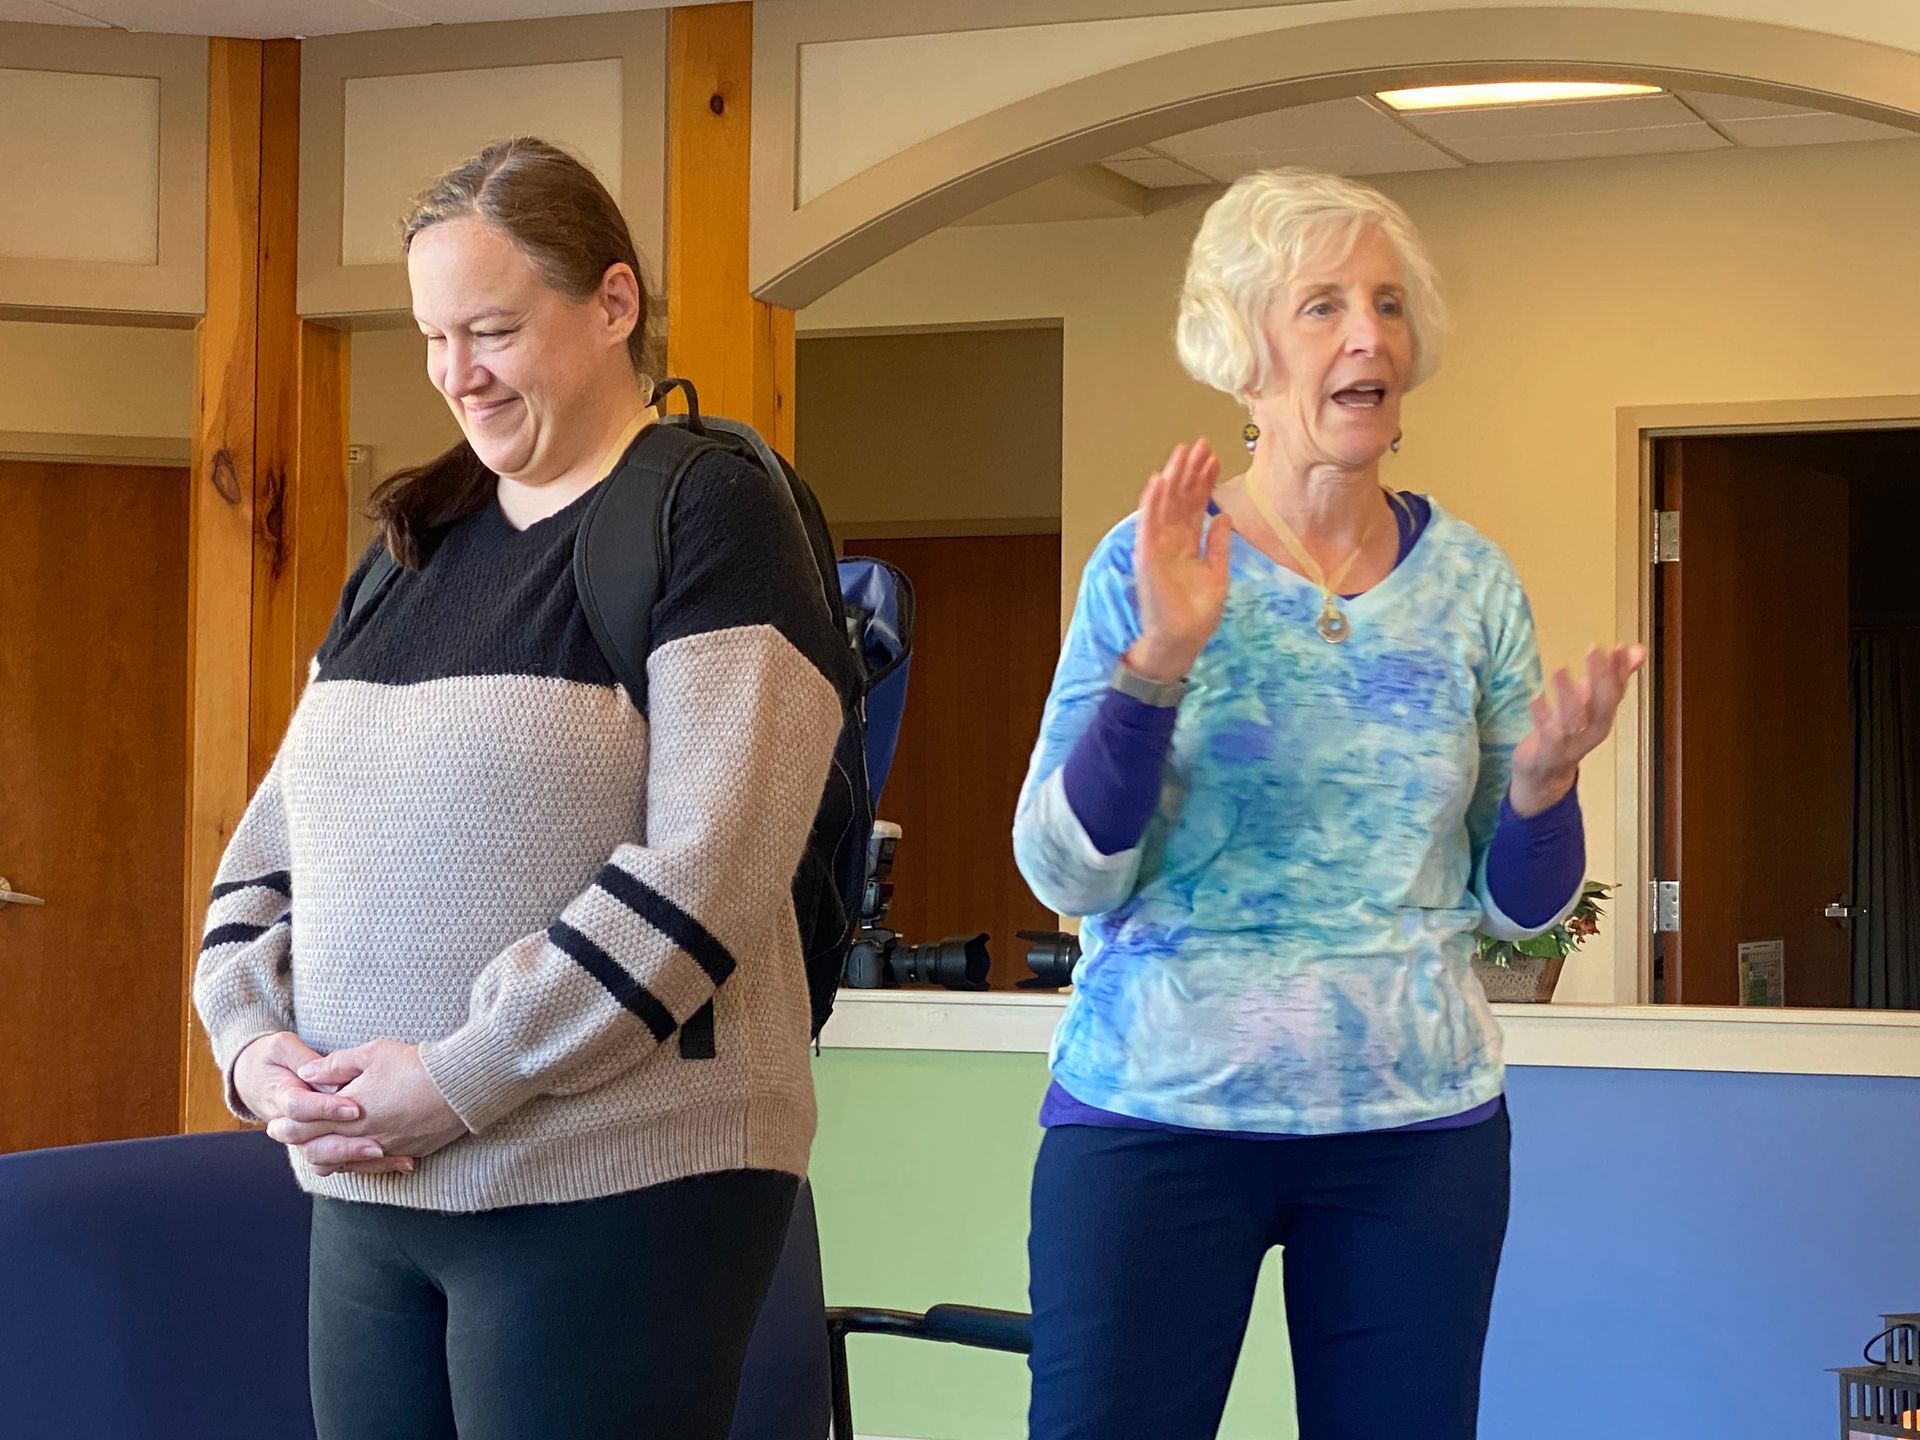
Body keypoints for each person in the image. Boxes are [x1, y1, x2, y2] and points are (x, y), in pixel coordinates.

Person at [192, 136, 845, 1440]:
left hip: (615, 1184)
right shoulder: (410, 552)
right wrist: (258, 1049)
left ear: (613, 305)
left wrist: (463, 1074)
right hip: (373, 1192)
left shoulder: (705, 511)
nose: (457, 374)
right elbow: (273, 845)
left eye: (491, 329)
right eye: (436, 337)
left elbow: (710, 867)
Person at [1012, 168, 1643, 1440]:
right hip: (1158, 1113)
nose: (1370, 335)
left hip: (1414, 1133)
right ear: (1243, 355)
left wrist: (1541, 786)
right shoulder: (1155, 560)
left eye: (1389, 305)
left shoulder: (1470, 582)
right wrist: (1158, 667)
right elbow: (1063, 873)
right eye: (1323, 307)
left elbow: (1519, 909)